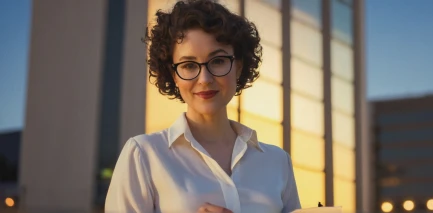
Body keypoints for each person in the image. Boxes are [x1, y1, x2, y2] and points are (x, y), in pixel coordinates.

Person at [105, 0, 301, 212]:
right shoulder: (144, 155)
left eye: (217, 61)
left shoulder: (277, 162)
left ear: (238, 66)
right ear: (173, 75)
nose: (205, 78)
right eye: (189, 65)